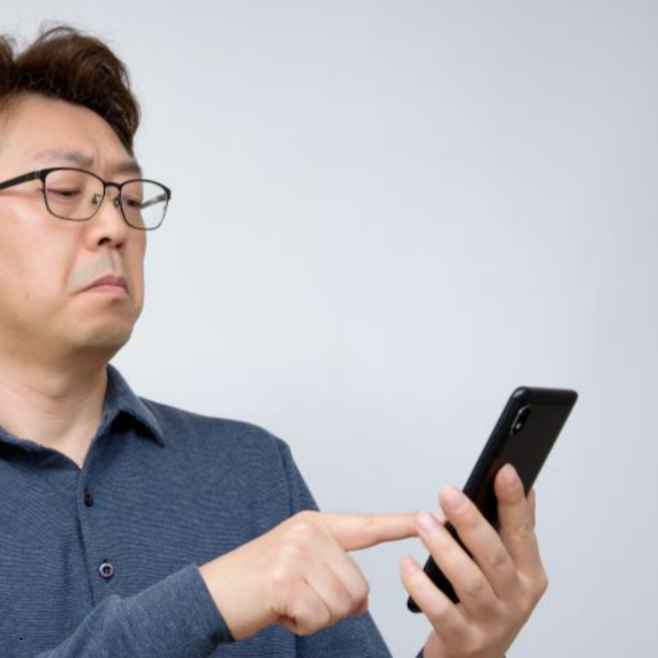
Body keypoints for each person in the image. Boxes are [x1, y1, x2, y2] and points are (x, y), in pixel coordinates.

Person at [0, 23, 546, 658]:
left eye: (131, 198)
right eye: (66, 191)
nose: (114, 227)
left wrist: (463, 653)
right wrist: (206, 601)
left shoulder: (253, 470)